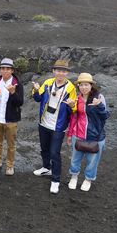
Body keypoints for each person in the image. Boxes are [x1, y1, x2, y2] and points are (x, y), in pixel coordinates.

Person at [31, 59, 77, 194]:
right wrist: (35, 91)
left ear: (67, 73)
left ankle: (55, 180)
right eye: (58, 70)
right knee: (44, 148)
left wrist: (72, 106)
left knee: (54, 153)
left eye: (63, 71)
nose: (60, 73)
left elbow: (73, 109)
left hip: (58, 126)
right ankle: (46, 167)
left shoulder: (71, 88)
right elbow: (38, 99)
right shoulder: (47, 83)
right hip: (44, 122)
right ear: (53, 71)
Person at [67, 73, 110, 192]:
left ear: (91, 85)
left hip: (95, 136)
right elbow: (74, 117)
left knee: (92, 161)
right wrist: (70, 134)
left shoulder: (99, 97)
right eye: (81, 85)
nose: (83, 87)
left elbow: (106, 116)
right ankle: (74, 176)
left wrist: (100, 105)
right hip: (78, 135)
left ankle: (88, 179)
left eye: (86, 85)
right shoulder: (77, 98)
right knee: (75, 158)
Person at [0, 58, 24, 176]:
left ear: (12, 70)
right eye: (3, 69)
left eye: (8, 69)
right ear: (0, 70)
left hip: (11, 120)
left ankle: (10, 166)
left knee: (11, 144)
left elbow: (20, 102)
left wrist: (13, 93)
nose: (5, 71)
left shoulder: (17, 84)